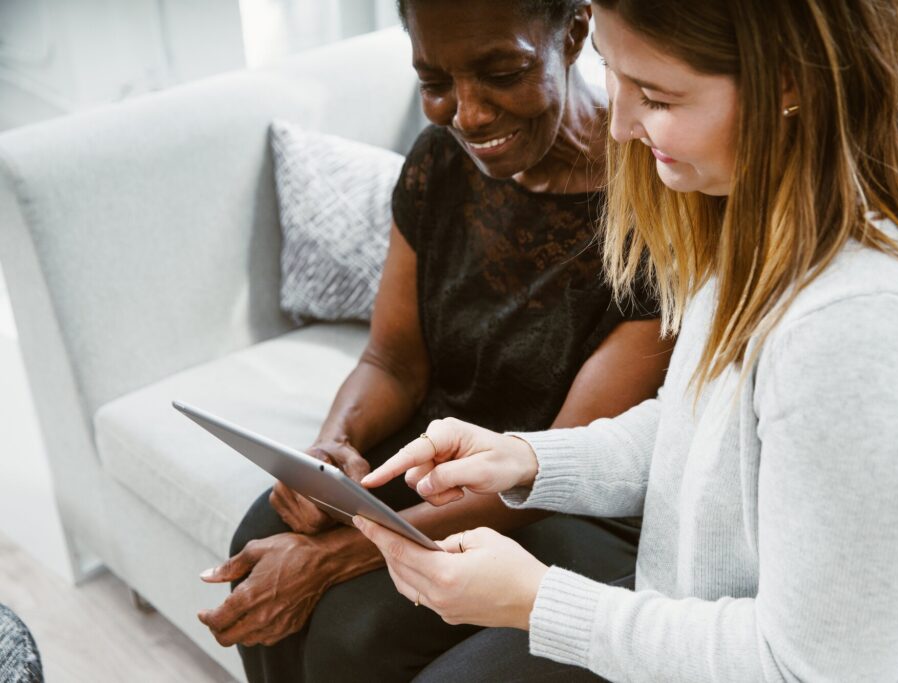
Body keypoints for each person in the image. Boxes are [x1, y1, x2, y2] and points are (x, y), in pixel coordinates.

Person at [357, 0, 898, 680]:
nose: (619, 126)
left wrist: (536, 601)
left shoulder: (871, 329)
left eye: (655, 96)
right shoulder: (764, 206)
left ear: (791, 80)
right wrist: (527, 458)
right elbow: (706, 428)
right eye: (614, 76)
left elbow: (804, 667)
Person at [196, 1, 674, 681]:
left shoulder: (655, 198)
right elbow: (391, 361)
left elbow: (558, 469)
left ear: (572, 33)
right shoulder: (437, 164)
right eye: (435, 82)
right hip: (435, 450)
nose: (469, 115)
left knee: (350, 636)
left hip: (557, 498)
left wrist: (335, 555)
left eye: (501, 70)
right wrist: (334, 446)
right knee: (262, 535)